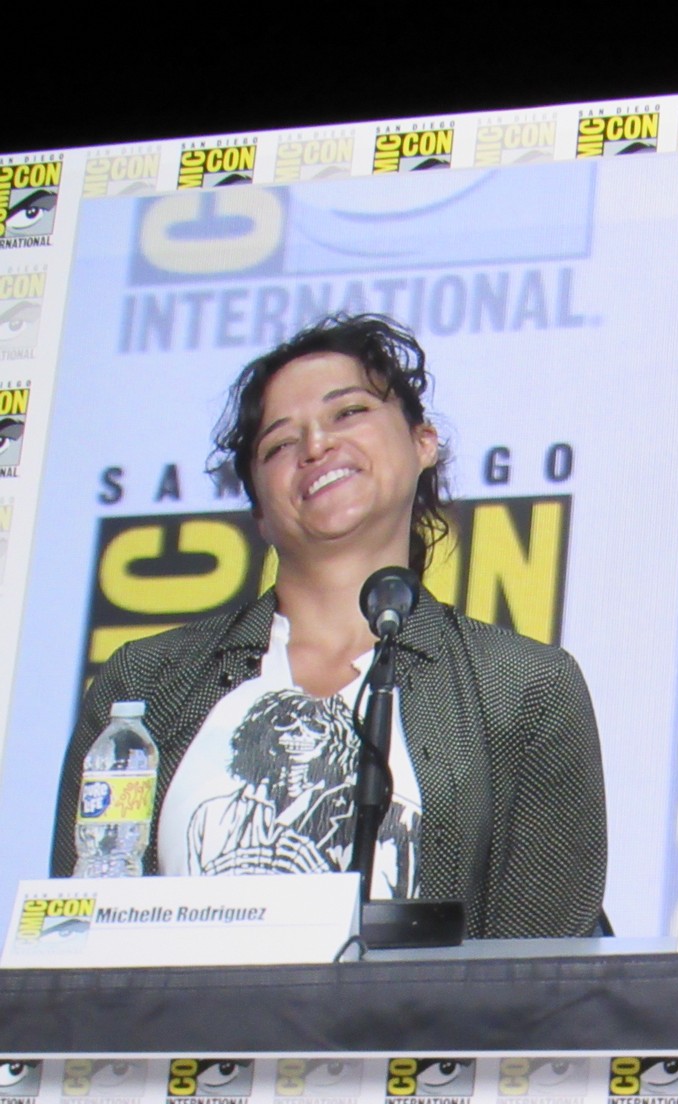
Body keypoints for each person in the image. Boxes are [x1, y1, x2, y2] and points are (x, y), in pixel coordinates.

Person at [53, 314, 607, 938]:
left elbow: (540, 966)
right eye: (279, 444)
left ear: (423, 442)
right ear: (259, 510)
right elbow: (74, 939)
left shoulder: (524, 687)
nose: (316, 446)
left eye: (348, 413)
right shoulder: (147, 682)